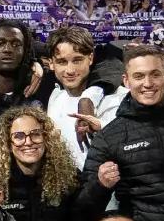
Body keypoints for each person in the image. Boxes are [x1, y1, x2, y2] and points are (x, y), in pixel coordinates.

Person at [76, 45, 164, 221]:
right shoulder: (111, 136)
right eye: (139, 76)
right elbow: (84, 206)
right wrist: (100, 185)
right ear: (126, 81)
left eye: (155, 74)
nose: (147, 84)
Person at [45, 25, 117, 168]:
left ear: (90, 58)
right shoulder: (54, 97)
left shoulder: (116, 98)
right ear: (51, 64)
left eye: (77, 60)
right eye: (62, 62)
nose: (70, 70)